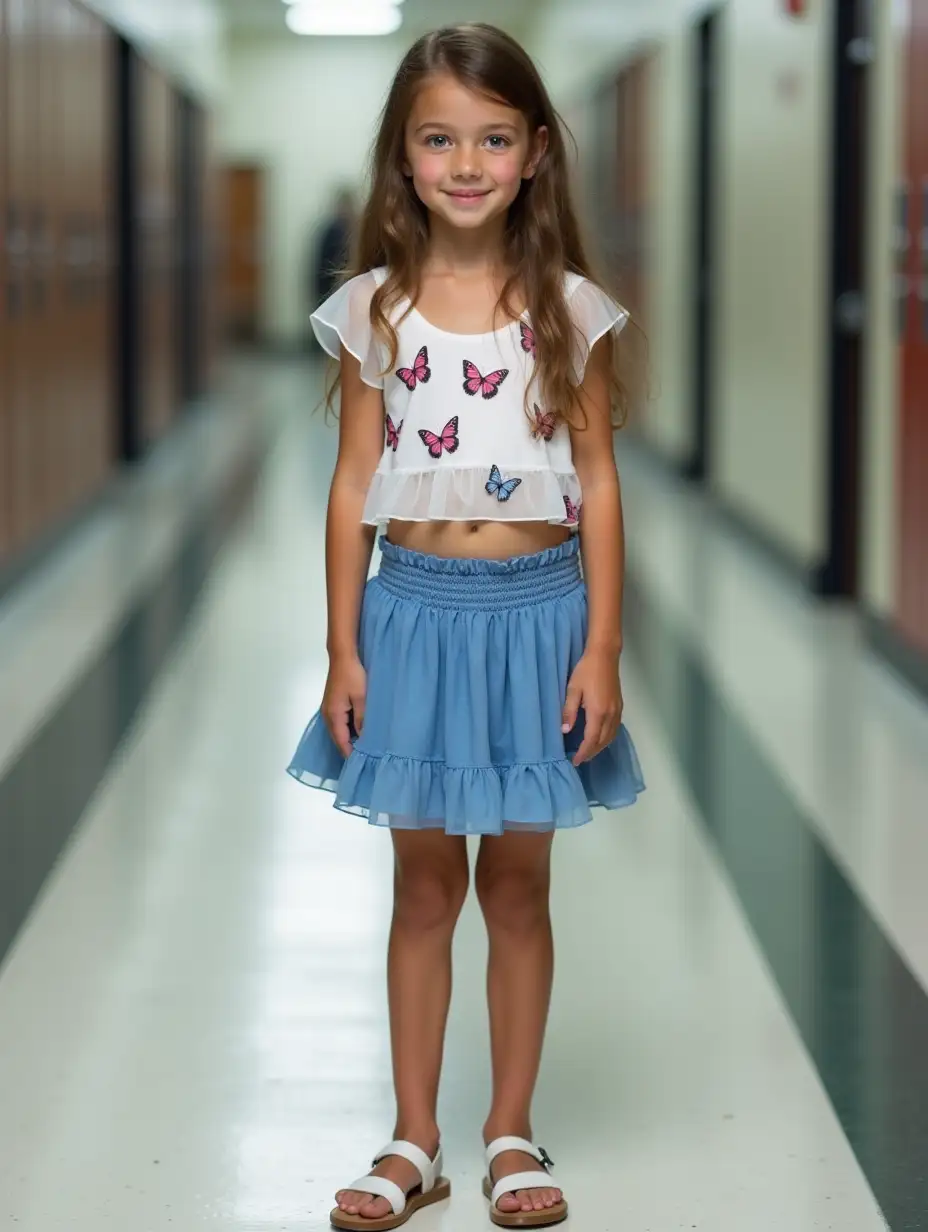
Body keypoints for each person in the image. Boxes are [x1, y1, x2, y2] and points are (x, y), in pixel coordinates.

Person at [287, 22, 645, 1231]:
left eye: (493, 137)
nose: (466, 160)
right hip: (415, 618)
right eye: (438, 137)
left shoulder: (570, 309)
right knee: (426, 885)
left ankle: (509, 1129)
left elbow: (596, 478)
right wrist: (343, 644)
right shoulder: (372, 310)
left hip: (540, 619)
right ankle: (414, 1136)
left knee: (520, 890)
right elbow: (351, 485)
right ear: (402, 153)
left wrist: (599, 644)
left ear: (536, 151)